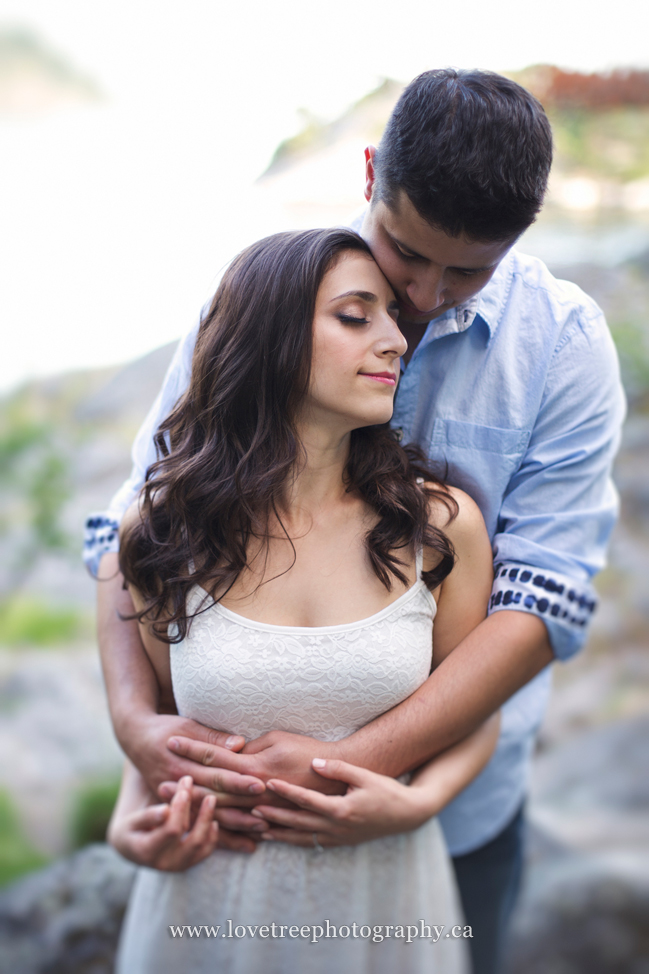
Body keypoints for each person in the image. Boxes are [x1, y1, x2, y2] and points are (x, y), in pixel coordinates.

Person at [86, 69, 626, 974]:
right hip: (226, 834)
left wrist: (363, 772)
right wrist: (135, 728)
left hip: (453, 812)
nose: (420, 296)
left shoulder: (561, 344)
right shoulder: (273, 301)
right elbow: (134, 528)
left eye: (468, 270)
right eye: (405, 251)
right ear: (372, 173)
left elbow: (544, 602)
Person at [108, 227, 498, 973]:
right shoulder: (163, 532)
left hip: (384, 905)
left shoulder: (439, 527)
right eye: (357, 316)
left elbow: (474, 710)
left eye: (392, 318)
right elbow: (163, 729)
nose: (395, 341)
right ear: (270, 335)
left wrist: (418, 803)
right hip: (205, 914)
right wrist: (132, 829)